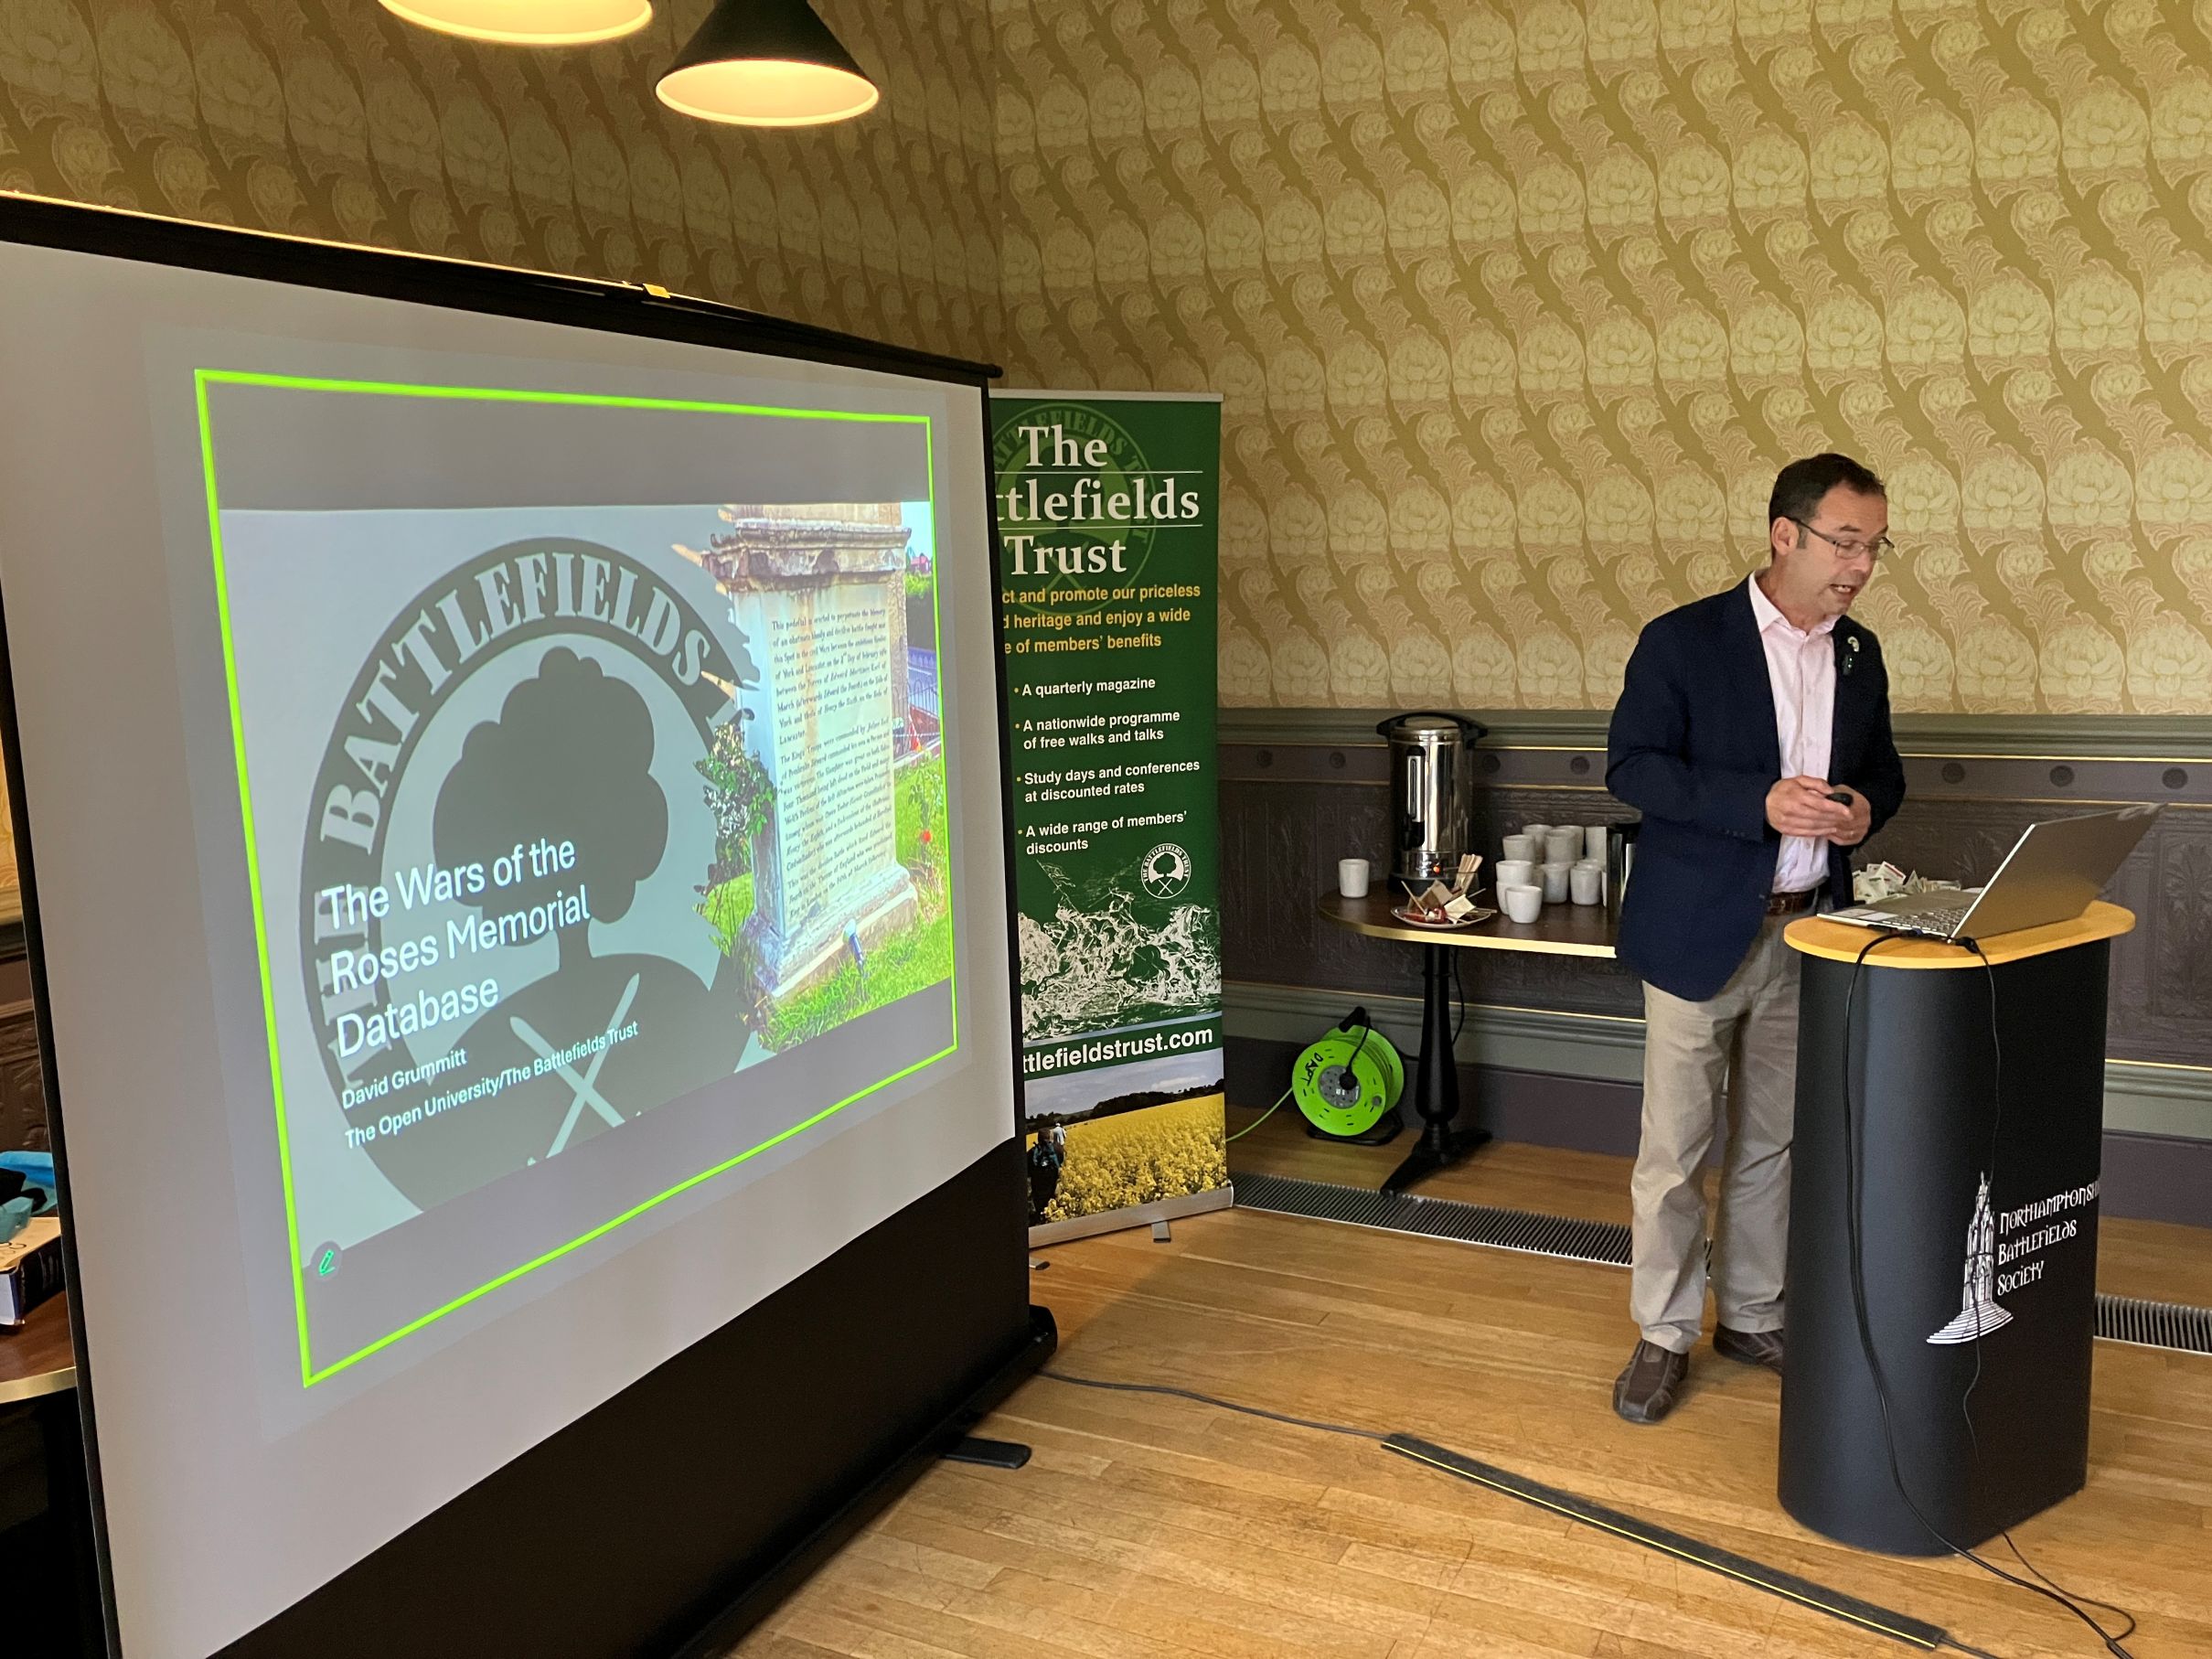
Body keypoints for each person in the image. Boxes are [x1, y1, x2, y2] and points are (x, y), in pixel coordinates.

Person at [1604, 454, 1907, 1424]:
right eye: (1845, 543)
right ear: (1785, 534)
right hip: (1697, 933)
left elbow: (1883, 772)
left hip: (1809, 931)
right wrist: (1757, 803)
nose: (1860, 565)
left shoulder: (1857, 654)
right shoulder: (1684, 640)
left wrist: (1863, 811)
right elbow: (1632, 767)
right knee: (1675, 1149)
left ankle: (1749, 1314)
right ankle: (1661, 1333)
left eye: (1875, 546)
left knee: (1772, 1140)